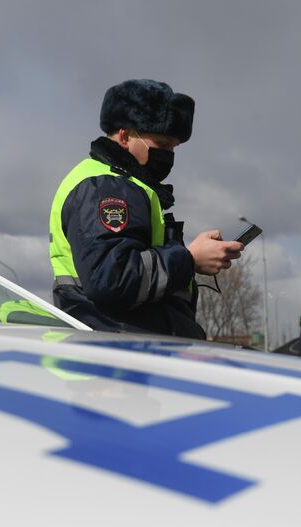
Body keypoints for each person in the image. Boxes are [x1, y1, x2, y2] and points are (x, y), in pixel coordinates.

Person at [49, 79, 243, 339]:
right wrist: (189, 259)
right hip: (117, 353)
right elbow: (112, 279)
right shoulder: (107, 187)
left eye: (174, 148)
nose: (169, 156)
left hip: (128, 344)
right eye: (162, 145)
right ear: (125, 136)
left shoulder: (124, 184)